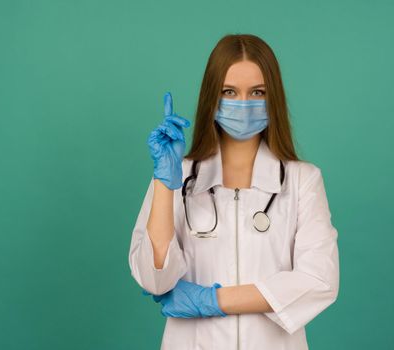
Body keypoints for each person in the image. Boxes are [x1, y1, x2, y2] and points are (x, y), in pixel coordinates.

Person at [128, 33, 340, 350]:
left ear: (274, 99)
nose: (243, 104)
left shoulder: (301, 181)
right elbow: (155, 279)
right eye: (229, 91)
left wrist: (214, 300)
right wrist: (164, 184)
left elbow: (319, 280)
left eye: (257, 92)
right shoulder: (179, 177)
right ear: (211, 97)